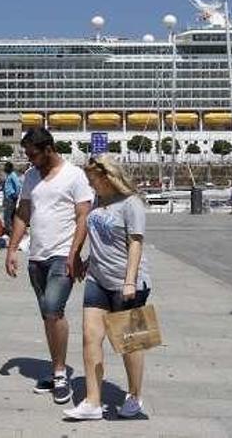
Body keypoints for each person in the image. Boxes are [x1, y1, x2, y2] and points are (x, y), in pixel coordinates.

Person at [5, 128, 93, 405]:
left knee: (54, 309)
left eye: (33, 154)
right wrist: (11, 249)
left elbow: (83, 217)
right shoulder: (31, 176)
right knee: (47, 314)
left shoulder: (74, 175)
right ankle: (57, 368)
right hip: (37, 256)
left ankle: (60, 373)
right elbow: (23, 212)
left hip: (62, 255)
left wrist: (74, 253)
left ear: (48, 149)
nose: (30, 160)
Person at [63, 155, 151, 421]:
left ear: (107, 177)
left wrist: (129, 281)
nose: (91, 186)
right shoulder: (100, 202)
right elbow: (101, 238)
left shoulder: (131, 204)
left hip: (128, 282)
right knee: (90, 336)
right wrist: (87, 261)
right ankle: (92, 401)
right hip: (97, 280)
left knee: (129, 344)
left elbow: (135, 243)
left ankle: (135, 395)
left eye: (93, 181)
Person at [2, 162, 21, 233]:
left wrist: (15, 194)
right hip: (8, 197)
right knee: (10, 215)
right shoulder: (9, 175)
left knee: (7, 215)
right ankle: (11, 229)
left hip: (10, 197)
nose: (4, 168)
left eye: (5, 167)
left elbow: (18, 185)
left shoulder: (13, 175)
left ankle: (9, 231)